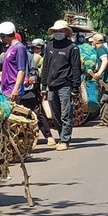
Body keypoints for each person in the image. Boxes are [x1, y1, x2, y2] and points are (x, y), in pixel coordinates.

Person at [39, 20, 81, 150]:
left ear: (66, 32)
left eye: (60, 31)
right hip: (51, 85)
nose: (57, 33)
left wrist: (75, 87)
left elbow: (76, 68)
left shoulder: (72, 48)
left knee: (65, 114)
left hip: (65, 85)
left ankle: (65, 140)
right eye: (55, 31)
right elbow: (45, 66)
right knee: (56, 115)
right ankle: (61, 135)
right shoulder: (50, 46)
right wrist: (44, 85)